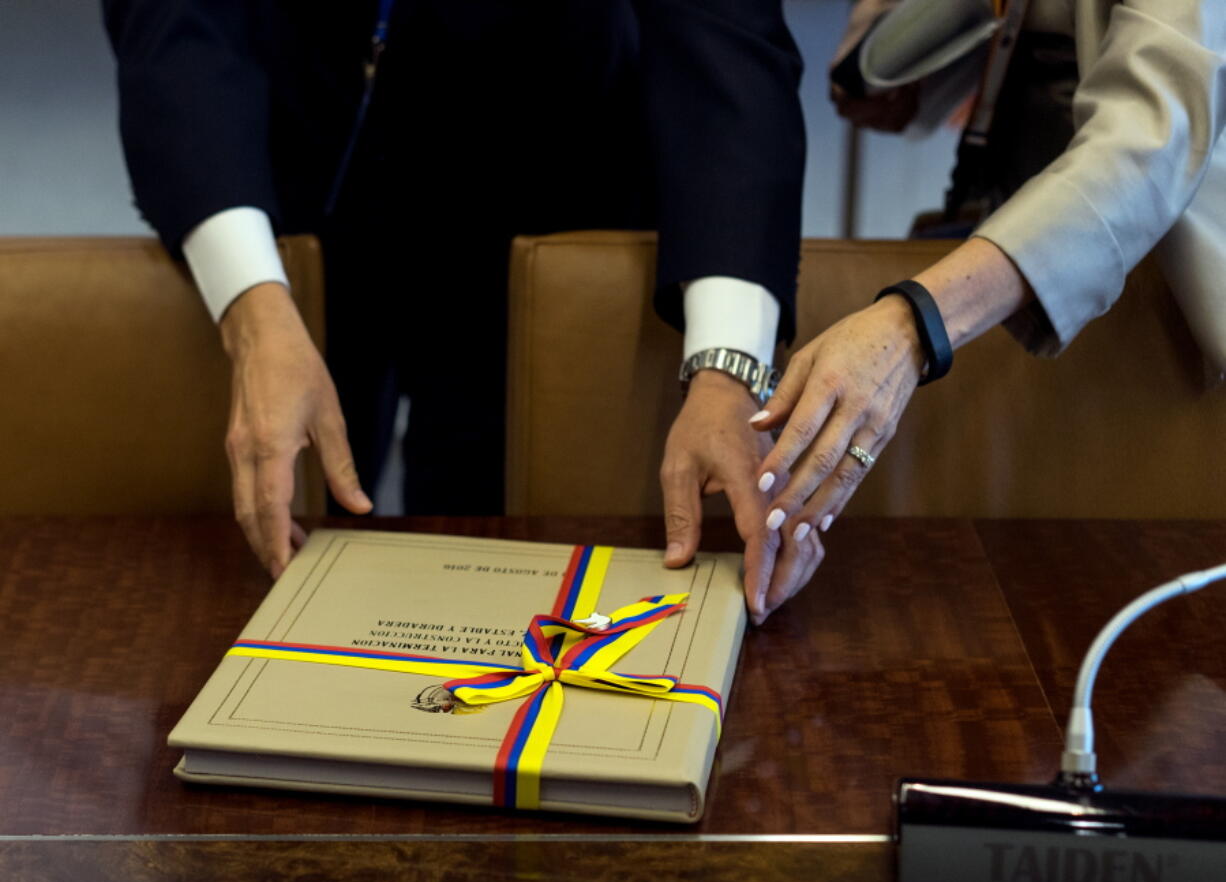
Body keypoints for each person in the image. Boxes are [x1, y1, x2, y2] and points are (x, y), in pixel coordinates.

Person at [104, 0, 813, 619]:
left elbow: (725, 39)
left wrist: (726, 366)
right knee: (267, 560)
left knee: (512, 579)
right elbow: (177, 21)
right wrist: (254, 316)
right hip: (288, 201)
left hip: (548, 201)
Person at [745, 0, 1226, 622]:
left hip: (1163, 312)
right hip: (1006, 282)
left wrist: (912, 323)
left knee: (1142, 630)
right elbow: (877, 93)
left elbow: (1147, 146)